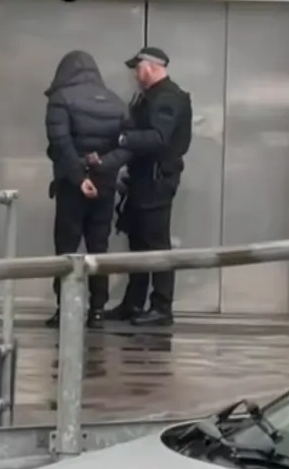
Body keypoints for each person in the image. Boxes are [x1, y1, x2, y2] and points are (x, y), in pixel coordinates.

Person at [43, 50, 133, 329]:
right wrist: (104, 167)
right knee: (99, 249)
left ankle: (64, 310)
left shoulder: (61, 100)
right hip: (105, 187)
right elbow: (127, 146)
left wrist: (79, 176)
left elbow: (60, 143)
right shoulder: (117, 103)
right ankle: (97, 310)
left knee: (67, 249)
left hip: (72, 186)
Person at [105, 46, 192, 327]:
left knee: (156, 245)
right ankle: (133, 303)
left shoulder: (167, 98)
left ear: (151, 66)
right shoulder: (151, 97)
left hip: (156, 181)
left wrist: (123, 140)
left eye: (137, 67)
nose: (134, 73)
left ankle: (161, 307)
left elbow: (157, 138)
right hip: (143, 179)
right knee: (140, 244)